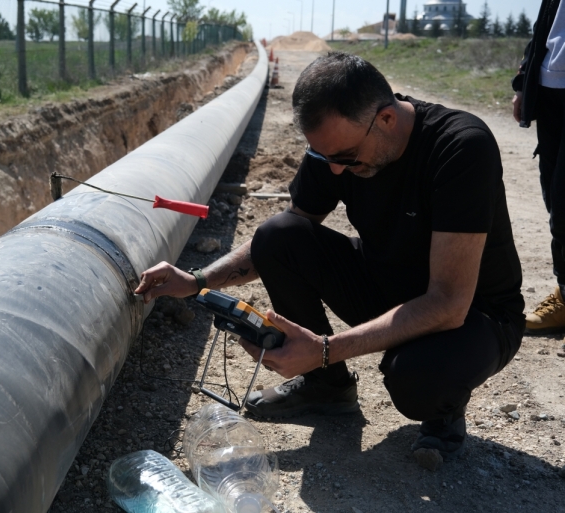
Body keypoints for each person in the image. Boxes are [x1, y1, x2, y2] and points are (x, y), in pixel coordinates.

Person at [135, 52, 524, 463]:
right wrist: (197, 281)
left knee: (416, 376)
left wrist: (324, 347)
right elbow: (283, 237)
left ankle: (442, 413)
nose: (335, 171)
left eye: (345, 158)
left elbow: (448, 303)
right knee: (277, 235)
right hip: (389, 283)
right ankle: (327, 388)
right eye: (325, 158)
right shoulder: (335, 148)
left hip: (474, 314)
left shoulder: (460, 147)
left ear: (387, 119)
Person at [512, 0, 565, 335]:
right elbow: (546, 24)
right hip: (551, 91)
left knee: (564, 202)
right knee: (555, 201)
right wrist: (524, 81)